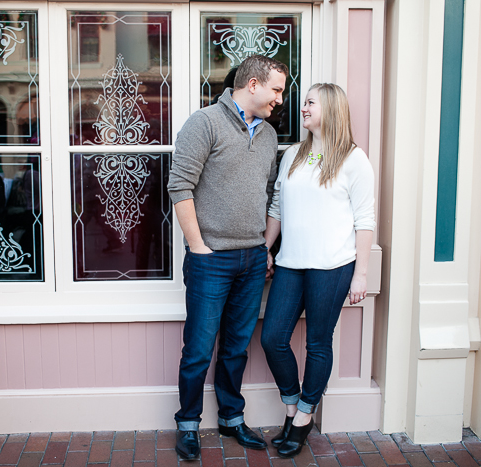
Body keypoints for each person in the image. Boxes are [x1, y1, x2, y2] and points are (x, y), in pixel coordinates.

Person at [167, 55, 288, 460]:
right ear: (252, 85)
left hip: (253, 260)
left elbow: (270, 193)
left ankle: (231, 418)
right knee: (199, 348)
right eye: (276, 90)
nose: (280, 100)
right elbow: (179, 187)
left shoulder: (269, 135)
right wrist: (199, 247)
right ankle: (188, 423)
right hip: (210, 259)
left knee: (237, 347)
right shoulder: (204, 123)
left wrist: (264, 249)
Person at [260, 83, 375, 458]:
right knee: (273, 338)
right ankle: (292, 409)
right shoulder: (293, 153)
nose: (303, 108)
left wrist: (361, 273)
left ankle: (305, 417)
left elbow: (365, 220)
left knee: (317, 343)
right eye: (304, 101)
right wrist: (266, 248)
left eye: (310, 102)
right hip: (291, 263)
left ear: (330, 108)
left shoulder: (354, 160)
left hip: (333, 267)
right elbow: (277, 205)